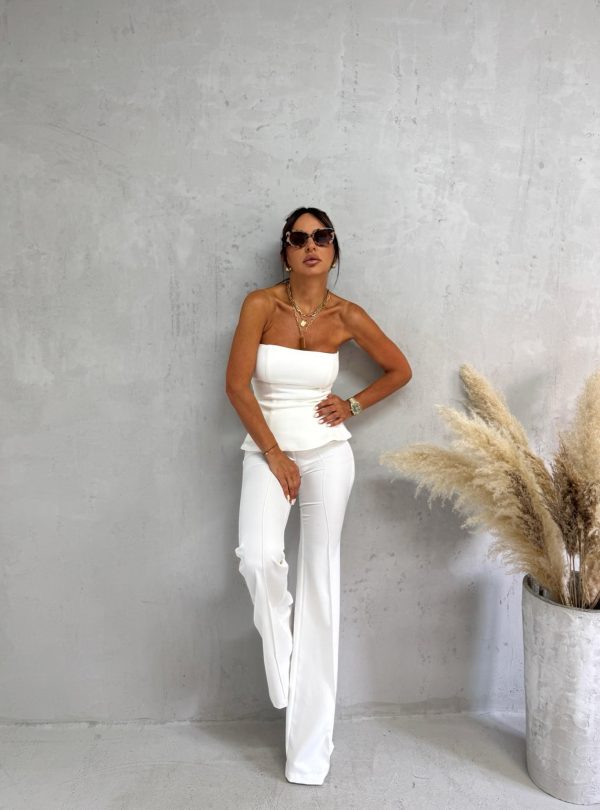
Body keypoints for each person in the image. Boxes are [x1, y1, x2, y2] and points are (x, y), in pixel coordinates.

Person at [225, 206, 412, 785]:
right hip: (268, 451)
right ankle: (283, 657)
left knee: (320, 586)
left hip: (329, 454)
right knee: (259, 558)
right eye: (299, 237)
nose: (311, 245)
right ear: (285, 251)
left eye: (322, 237)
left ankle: (307, 757)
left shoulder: (346, 314)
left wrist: (352, 405)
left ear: (333, 250)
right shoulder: (260, 305)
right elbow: (236, 386)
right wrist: (275, 453)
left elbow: (399, 370)